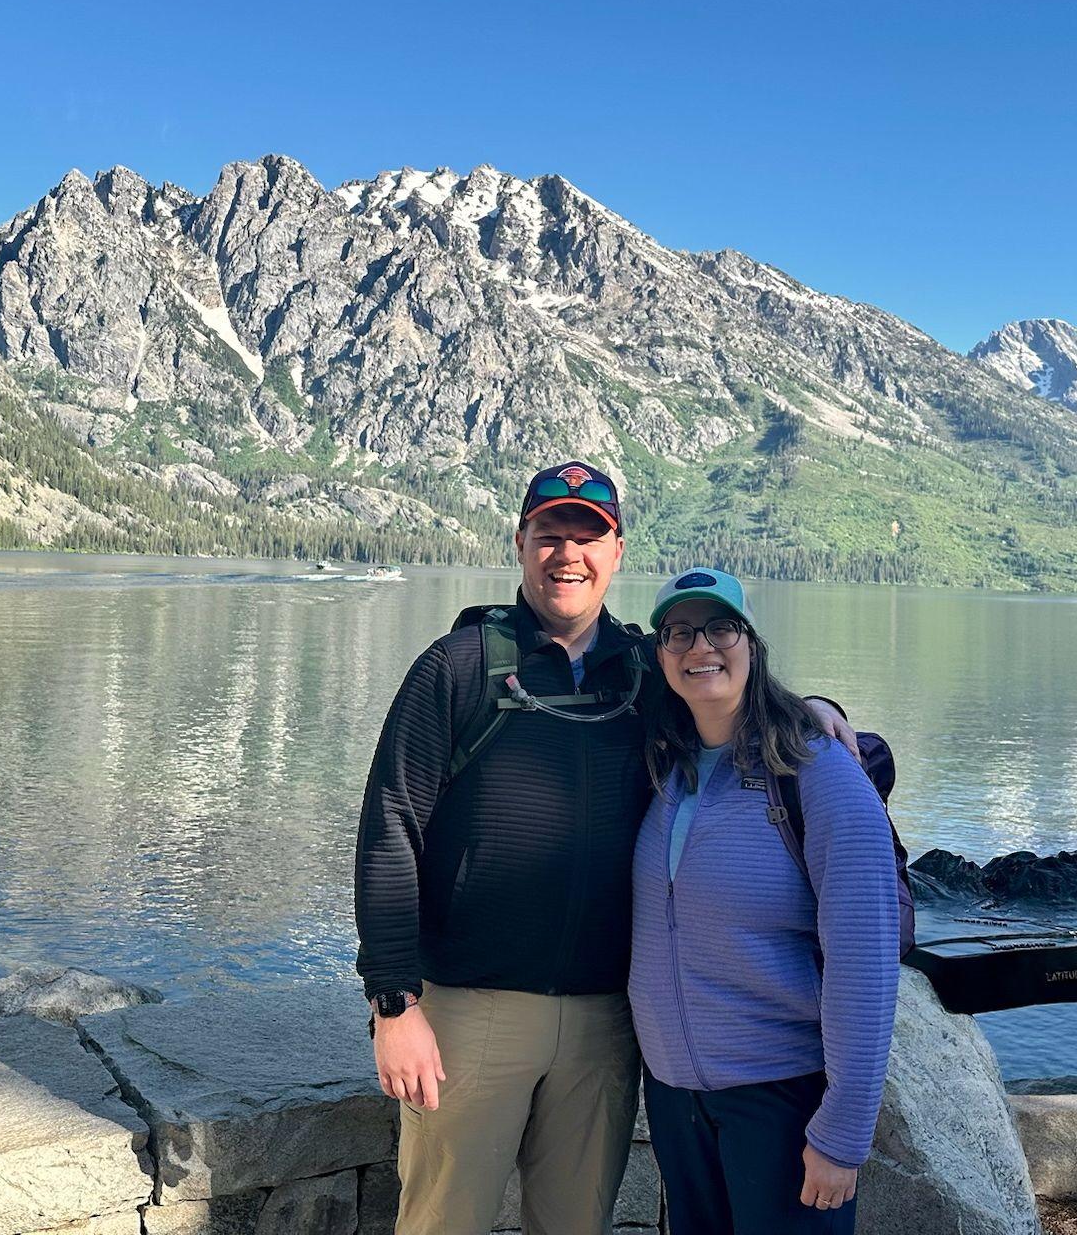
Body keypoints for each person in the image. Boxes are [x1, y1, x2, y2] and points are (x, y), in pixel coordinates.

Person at [353, 462, 855, 1235]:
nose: (567, 555)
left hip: (606, 1024)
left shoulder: (645, 673)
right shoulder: (454, 669)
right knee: (441, 1223)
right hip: (470, 1016)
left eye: (588, 537)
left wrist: (818, 708)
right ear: (520, 544)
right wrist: (394, 1003)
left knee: (577, 1224)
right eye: (549, 535)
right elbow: (391, 826)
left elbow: (734, 713)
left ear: (616, 553)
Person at [629, 567, 901, 1235]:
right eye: (680, 633)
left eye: (721, 627)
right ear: (660, 654)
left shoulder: (820, 774)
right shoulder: (666, 764)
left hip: (780, 1100)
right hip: (674, 1099)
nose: (701, 648)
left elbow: (863, 964)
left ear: (751, 643)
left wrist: (842, 1133)